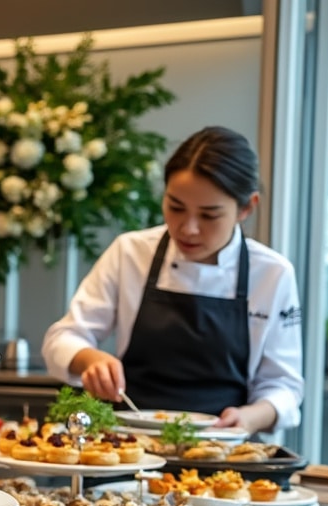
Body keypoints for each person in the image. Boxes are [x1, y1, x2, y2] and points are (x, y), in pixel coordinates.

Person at [41, 126, 304, 434]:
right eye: (176, 207)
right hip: (129, 446)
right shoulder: (130, 252)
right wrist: (89, 359)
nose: (188, 228)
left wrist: (250, 418)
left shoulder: (272, 273)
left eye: (209, 215)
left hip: (223, 453)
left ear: (246, 207)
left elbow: (284, 387)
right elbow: (61, 338)